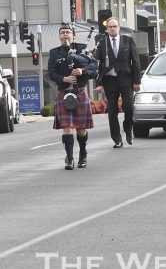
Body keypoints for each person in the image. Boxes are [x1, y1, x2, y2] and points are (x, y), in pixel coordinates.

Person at [48, 23, 99, 170]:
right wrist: (64, 79)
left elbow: (94, 67)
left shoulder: (82, 49)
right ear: (59, 36)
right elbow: (51, 73)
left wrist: (82, 70)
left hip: (80, 92)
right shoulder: (54, 53)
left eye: (67, 32)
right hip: (64, 92)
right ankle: (69, 158)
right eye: (62, 33)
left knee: (81, 129)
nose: (65, 35)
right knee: (67, 127)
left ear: (73, 36)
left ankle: (83, 154)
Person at [95, 17, 141, 148]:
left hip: (126, 80)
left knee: (129, 108)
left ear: (119, 27)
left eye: (114, 26)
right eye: (110, 27)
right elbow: (98, 64)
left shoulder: (128, 40)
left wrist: (137, 81)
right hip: (110, 81)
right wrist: (98, 83)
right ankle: (117, 139)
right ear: (107, 29)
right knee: (113, 110)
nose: (112, 29)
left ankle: (128, 129)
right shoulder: (102, 43)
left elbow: (136, 62)